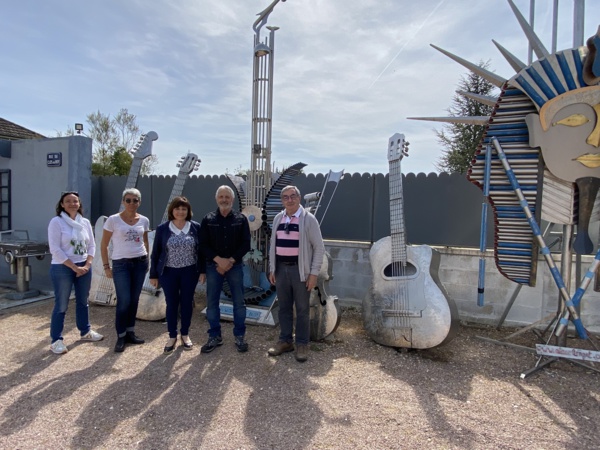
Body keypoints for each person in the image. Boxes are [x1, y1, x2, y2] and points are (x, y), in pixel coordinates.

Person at [268, 185, 325, 362]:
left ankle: (302, 343)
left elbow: (319, 248)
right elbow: (272, 246)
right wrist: (272, 268)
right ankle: (285, 341)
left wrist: (313, 274)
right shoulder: (278, 218)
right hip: (281, 269)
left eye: (293, 196)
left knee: (301, 309)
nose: (289, 200)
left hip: (300, 271)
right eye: (285, 197)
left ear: (299, 198)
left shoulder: (309, 220)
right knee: (283, 308)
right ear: (282, 200)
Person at [48, 191, 104, 354]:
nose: (72, 203)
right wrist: (74, 267)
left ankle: (85, 331)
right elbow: (55, 248)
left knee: (83, 301)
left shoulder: (84, 222)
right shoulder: (56, 222)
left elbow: (92, 245)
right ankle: (56, 340)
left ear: (79, 204)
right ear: (62, 205)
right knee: (61, 304)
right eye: (68, 201)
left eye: (75, 201)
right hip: (62, 267)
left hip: (84, 266)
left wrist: (87, 264)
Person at [199, 185, 251, 353]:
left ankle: (240, 336)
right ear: (216, 199)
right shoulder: (208, 219)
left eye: (227, 197)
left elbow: (245, 244)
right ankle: (215, 336)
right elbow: (203, 245)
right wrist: (219, 261)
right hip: (213, 266)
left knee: (239, 303)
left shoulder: (241, 219)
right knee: (212, 303)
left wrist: (230, 261)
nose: (224, 199)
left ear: (232, 199)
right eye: (221, 196)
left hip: (235, 266)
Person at [149, 196, 204, 354]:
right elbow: (156, 253)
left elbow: (201, 252)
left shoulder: (195, 227)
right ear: (172, 210)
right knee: (171, 303)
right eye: (177, 208)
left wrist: (202, 271)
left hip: (189, 271)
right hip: (168, 272)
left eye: (184, 209)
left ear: (188, 211)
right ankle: (172, 335)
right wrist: (154, 275)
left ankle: (185, 334)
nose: (180, 212)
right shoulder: (163, 228)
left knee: (187, 303)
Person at [100, 188, 149, 353]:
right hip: (121, 264)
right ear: (123, 201)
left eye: (135, 200)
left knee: (134, 300)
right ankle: (120, 336)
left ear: (139, 202)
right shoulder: (113, 220)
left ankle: (130, 332)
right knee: (124, 300)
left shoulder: (144, 220)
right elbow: (104, 244)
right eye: (128, 200)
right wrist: (107, 266)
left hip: (140, 263)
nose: (131, 203)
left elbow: (145, 240)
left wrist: (147, 259)